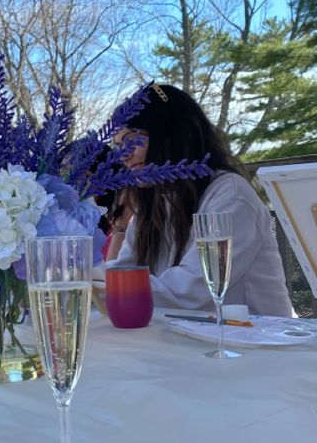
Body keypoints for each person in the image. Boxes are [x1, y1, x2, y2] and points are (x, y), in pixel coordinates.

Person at [106, 83, 291, 315]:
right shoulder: (152, 203)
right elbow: (125, 270)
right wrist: (85, 278)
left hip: (250, 342)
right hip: (183, 340)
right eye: (119, 145)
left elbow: (194, 290)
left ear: (170, 133)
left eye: (132, 138)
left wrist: (101, 282)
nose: (124, 155)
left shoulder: (229, 194)